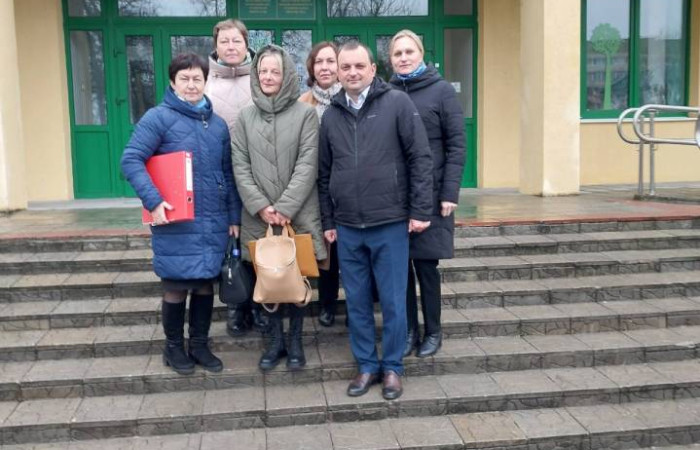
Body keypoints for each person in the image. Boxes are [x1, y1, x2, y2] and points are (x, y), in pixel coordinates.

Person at [317, 41, 433, 400]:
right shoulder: (331, 115)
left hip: (390, 222)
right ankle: (367, 365)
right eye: (345, 67)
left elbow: (420, 158)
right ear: (338, 73)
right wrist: (328, 220)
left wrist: (420, 210)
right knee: (357, 302)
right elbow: (324, 173)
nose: (352, 72)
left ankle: (393, 368)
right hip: (348, 226)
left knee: (394, 302)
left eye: (359, 66)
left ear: (372, 69)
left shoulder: (397, 103)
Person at [121, 53, 241, 376]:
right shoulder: (158, 118)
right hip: (175, 219)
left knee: (204, 285)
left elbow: (227, 174)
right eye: (184, 79)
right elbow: (131, 159)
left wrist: (234, 217)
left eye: (197, 79)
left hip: (212, 221)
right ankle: (173, 347)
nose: (191, 85)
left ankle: (199, 345)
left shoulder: (217, 125)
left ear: (206, 81)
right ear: (172, 82)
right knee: (176, 286)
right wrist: (153, 201)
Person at [231, 45, 327, 372]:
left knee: (296, 278)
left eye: (275, 71)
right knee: (267, 278)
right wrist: (260, 206)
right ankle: (274, 343)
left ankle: (296, 341)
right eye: (263, 71)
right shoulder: (245, 118)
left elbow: (308, 164)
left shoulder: (306, 114)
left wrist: (285, 206)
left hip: (298, 213)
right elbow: (240, 165)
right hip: (257, 216)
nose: (269, 77)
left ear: (286, 75)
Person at [389, 30, 465, 358]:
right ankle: (409, 331)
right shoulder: (388, 92)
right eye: (397, 53)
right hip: (396, 197)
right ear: (390, 60)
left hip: (432, 196)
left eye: (409, 51)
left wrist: (450, 192)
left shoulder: (441, 91)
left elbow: (457, 144)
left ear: (421, 53)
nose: (404, 58)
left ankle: (433, 331)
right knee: (400, 270)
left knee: (426, 267)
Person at [204, 18, 268, 337]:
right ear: (216, 46)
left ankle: (260, 304)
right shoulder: (203, 81)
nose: (230, 47)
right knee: (230, 242)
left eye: (236, 41)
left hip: (259, 174)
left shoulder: (261, 77)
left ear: (246, 43)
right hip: (220, 176)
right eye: (224, 41)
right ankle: (235, 306)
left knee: (258, 240)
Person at [298, 41, 342, 327]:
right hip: (314, 187)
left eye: (330, 61)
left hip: (347, 184)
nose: (324, 67)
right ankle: (327, 302)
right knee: (326, 248)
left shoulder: (351, 98)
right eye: (319, 62)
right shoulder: (302, 103)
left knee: (349, 249)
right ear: (311, 68)